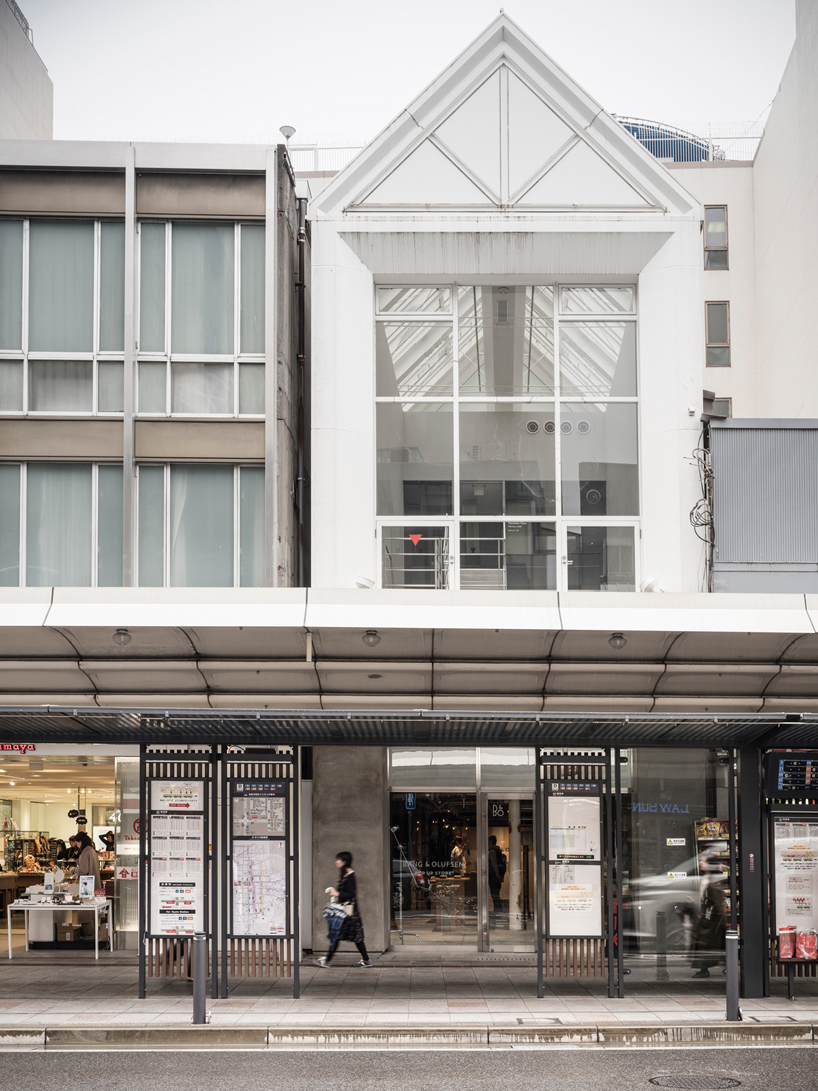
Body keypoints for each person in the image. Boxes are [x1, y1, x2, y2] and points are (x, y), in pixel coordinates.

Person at [314, 851, 372, 968]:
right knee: (354, 937)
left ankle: (327, 960)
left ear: (344, 862)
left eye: (338, 860)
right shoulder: (346, 874)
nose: (336, 862)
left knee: (338, 935)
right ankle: (366, 960)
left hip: (349, 914)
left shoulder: (350, 875)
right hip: (349, 913)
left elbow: (351, 894)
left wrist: (337, 893)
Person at [487, 835, 507, 915]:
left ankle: (497, 911)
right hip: (498, 875)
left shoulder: (492, 851)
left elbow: (494, 864)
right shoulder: (498, 850)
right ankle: (498, 910)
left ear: (490, 841)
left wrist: (497, 876)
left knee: (494, 894)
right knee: (496, 893)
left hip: (494, 876)